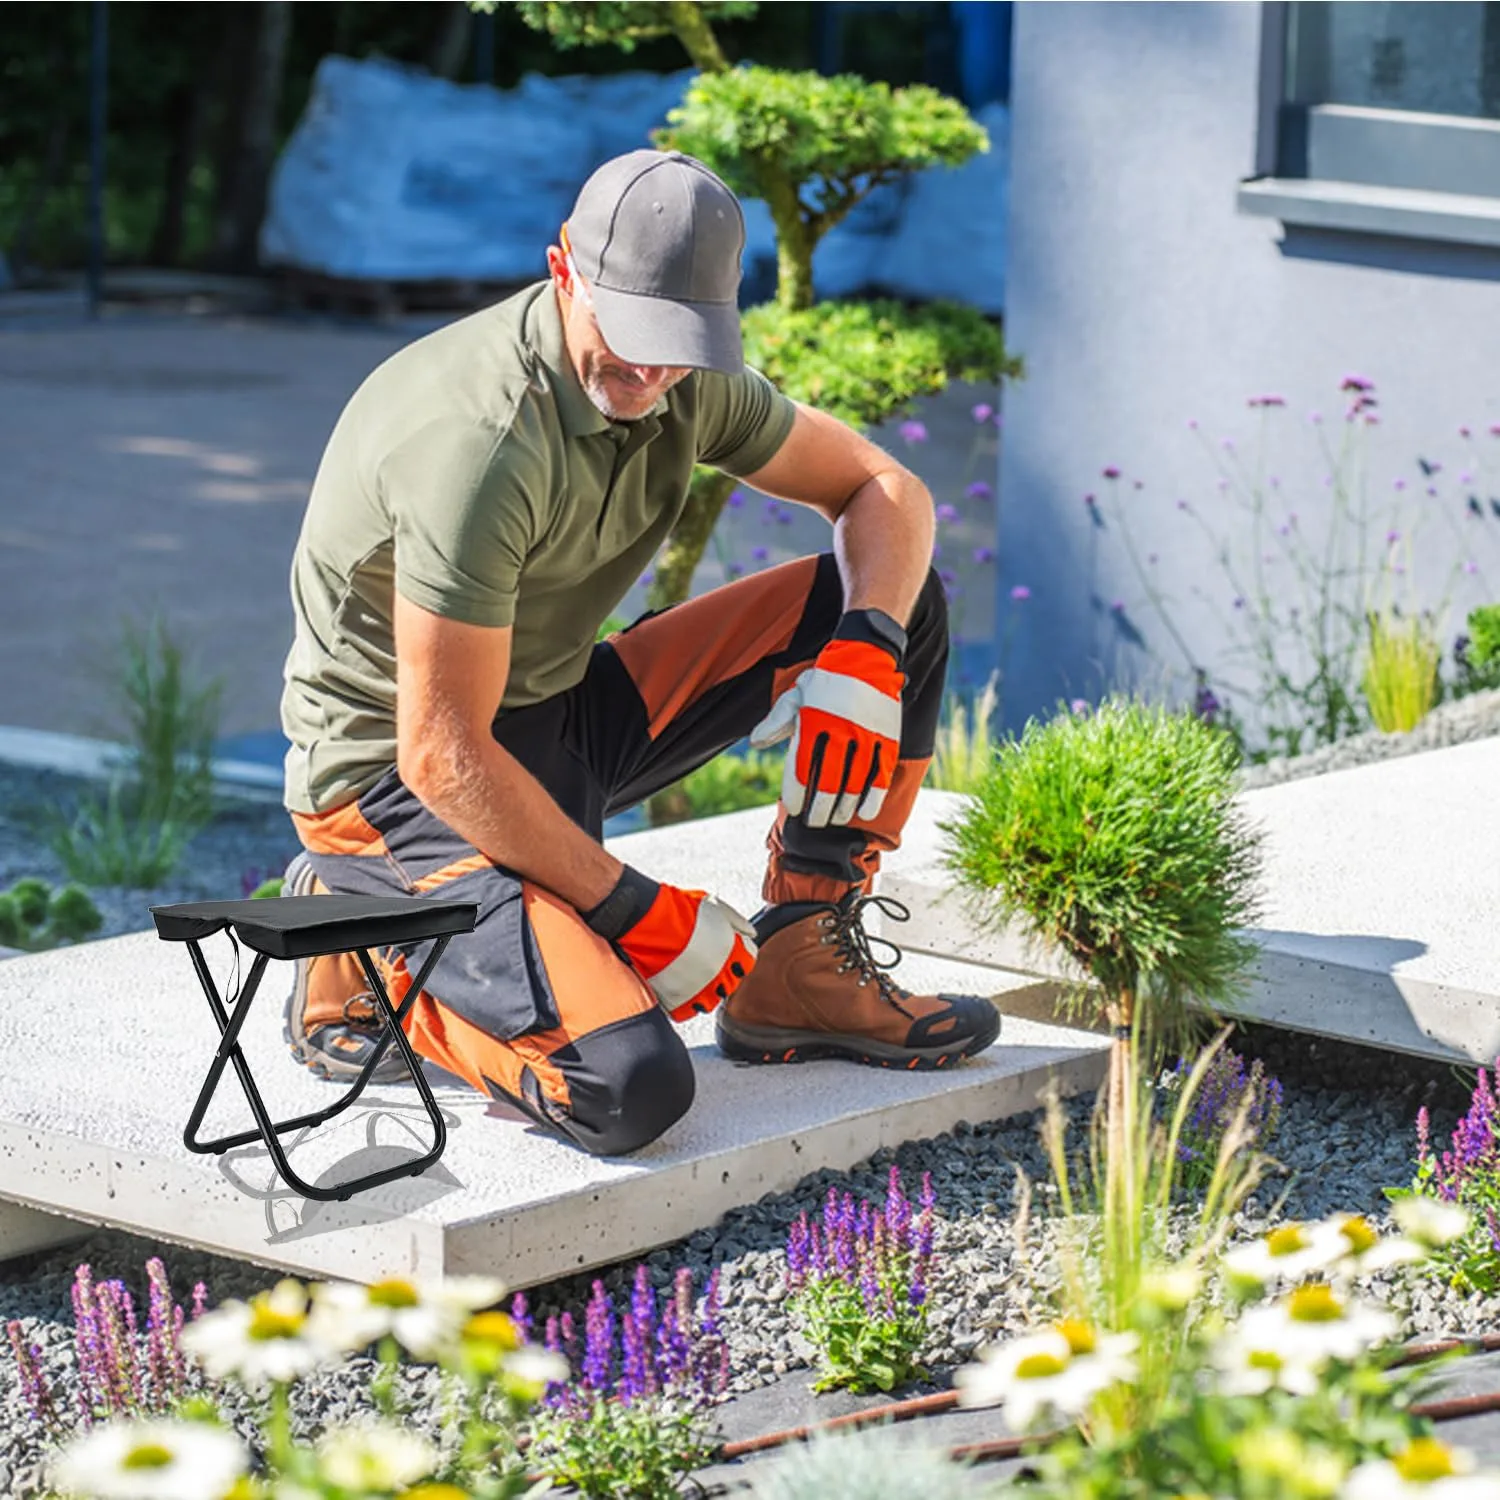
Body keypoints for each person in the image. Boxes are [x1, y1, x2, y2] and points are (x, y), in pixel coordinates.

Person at [278, 148, 1001, 1158]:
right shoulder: (480, 445)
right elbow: (440, 754)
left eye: (678, 341)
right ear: (562, 271)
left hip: (553, 719)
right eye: (628, 331)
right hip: (396, 796)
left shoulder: (680, 377)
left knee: (895, 594)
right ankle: (365, 958)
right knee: (625, 1087)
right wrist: (632, 906)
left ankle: (799, 965)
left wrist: (865, 651)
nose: (649, 370)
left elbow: (884, 489)